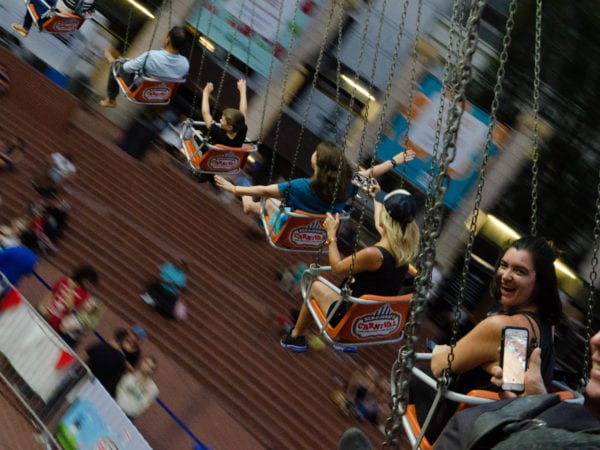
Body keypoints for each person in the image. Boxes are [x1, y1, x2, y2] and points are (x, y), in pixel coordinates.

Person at [415, 235, 563, 442]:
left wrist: (443, 351)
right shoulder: (546, 328)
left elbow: (441, 366)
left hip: (457, 434)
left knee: (419, 375)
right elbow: (511, 382)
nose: (506, 276)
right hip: (494, 435)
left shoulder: (500, 326)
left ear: (540, 283)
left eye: (520, 271)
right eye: (504, 265)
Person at [280, 188, 420, 352]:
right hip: (367, 322)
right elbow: (379, 222)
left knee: (315, 286)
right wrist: (376, 196)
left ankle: (296, 336)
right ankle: (315, 334)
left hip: (347, 320)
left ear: (386, 219)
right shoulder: (402, 254)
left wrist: (331, 235)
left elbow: (337, 268)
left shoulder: (373, 255)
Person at [435, 330, 600, 449]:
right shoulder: (546, 331)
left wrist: (439, 351)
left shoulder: (496, 324)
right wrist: (534, 401)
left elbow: (440, 366)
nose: (595, 339)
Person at [215, 141, 354, 220]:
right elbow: (363, 175)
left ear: (318, 160)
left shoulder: (302, 186)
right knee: (283, 201)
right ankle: (248, 199)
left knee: (270, 201)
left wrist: (234, 189)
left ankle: (249, 204)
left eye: (316, 152)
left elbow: (265, 191)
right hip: (314, 234)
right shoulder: (346, 187)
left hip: (286, 229)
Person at [100, 26, 190, 108]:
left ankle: (111, 100)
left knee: (117, 65)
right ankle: (117, 61)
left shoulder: (151, 55)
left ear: (168, 39)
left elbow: (126, 68)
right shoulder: (185, 64)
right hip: (161, 94)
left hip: (140, 90)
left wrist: (132, 62)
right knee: (140, 66)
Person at [37, 264, 100, 347]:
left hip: (56, 323)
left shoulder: (84, 294)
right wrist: (41, 306)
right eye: (89, 283)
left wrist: (70, 289)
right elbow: (51, 294)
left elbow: (69, 306)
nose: (90, 286)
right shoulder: (64, 280)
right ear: (83, 279)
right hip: (45, 314)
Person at [201, 79, 248, 147]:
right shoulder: (242, 129)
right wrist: (243, 91)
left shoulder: (217, 133)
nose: (220, 120)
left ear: (230, 127)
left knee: (197, 132)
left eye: (223, 120)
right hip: (229, 153)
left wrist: (205, 93)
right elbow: (243, 112)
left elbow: (205, 113)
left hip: (212, 153)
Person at [85, 328, 131, 397]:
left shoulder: (98, 346)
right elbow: (117, 378)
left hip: (84, 379)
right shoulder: (121, 360)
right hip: (96, 390)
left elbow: (84, 359)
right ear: (124, 341)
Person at [11, 0, 94, 38]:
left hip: (55, 13)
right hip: (63, 16)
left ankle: (26, 27)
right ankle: (26, 26)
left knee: (32, 1)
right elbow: (89, 12)